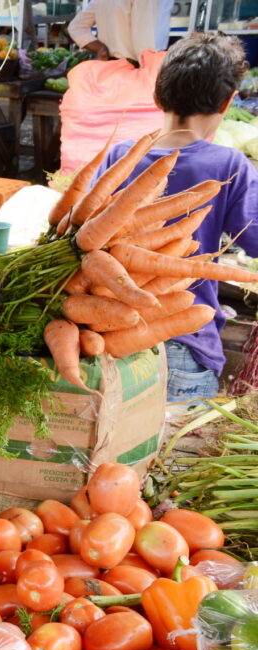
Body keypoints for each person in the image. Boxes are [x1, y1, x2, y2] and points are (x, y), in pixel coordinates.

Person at [95, 32, 258, 403]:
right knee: (168, 460)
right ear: (228, 103)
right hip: (186, 347)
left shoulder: (120, 156)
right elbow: (254, 240)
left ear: (157, 95)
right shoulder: (229, 165)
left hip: (113, 339)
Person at [67, 0, 170, 62]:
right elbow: (145, 44)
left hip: (111, 66)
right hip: (137, 68)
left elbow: (76, 27)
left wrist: (101, 49)